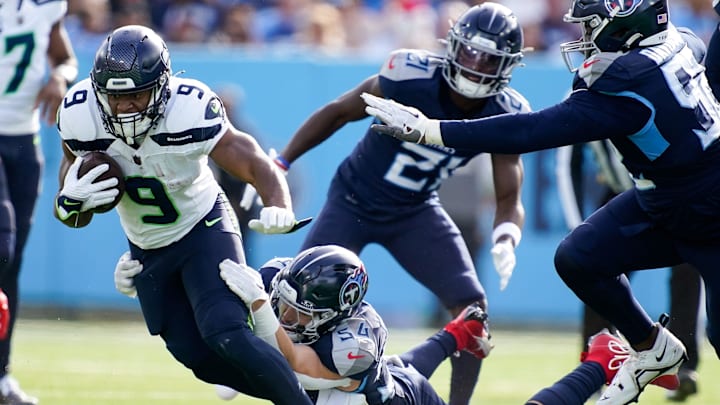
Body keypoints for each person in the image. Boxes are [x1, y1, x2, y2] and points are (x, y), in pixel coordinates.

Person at [362, 1, 713, 403]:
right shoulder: (678, 43)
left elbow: (530, 132)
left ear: (626, 25)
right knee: (579, 256)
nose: (582, 40)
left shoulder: (631, 80)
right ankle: (652, 345)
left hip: (708, 206)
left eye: (591, 27)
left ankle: (658, 355)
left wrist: (432, 130)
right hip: (661, 194)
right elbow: (704, 56)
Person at [258, 4, 528, 403]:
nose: (475, 65)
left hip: (414, 209)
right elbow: (339, 111)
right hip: (353, 199)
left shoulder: (505, 111)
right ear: (452, 46)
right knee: (298, 296)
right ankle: (252, 368)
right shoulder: (411, 76)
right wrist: (281, 161)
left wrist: (506, 235)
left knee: (473, 308)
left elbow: (510, 193)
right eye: (470, 52)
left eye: (488, 58)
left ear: (507, 66)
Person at [54, 25, 313, 405]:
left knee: (225, 332)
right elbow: (74, 215)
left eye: (136, 95)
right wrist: (69, 201)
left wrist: (278, 202)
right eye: (115, 97)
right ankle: (318, 392)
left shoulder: (188, 109)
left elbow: (251, 158)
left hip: (203, 226)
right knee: (196, 357)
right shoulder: (79, 114)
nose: (124, 108)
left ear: (161, 86)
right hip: (147, 246)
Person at [214, 244, 679, 405]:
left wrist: (257, 310)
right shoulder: (281, 275)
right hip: (371, 383)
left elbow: (296, 362)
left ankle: (603, 359)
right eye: (281, 302)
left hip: (401, 401)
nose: (286, 314)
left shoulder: (354, 340)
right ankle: (459, 334)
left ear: (337, 311)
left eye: (300, 312)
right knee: (387, 372)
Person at [556, 140, 703, 402]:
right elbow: (568, 163)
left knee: (689, 265)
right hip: (621, 193)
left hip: (670, 191)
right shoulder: (584, 99)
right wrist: (576, 225)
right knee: (592, 266)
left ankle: (682, 367)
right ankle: (596, 365)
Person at [0, 1, 78, 403]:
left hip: (24, 139)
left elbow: (65, 59)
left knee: (9, 266)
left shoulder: (45, 5)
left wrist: (59, 79)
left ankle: (1, 375)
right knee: (1, 247)